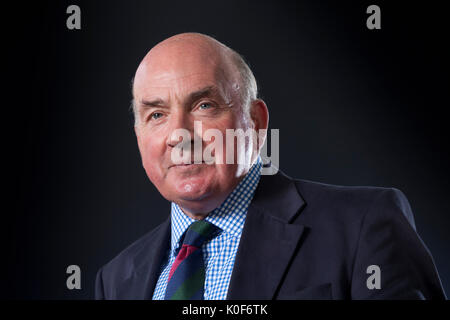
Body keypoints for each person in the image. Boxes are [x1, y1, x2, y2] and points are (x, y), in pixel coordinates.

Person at [95, 32, 446, 300]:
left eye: (204, 105)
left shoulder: (365, 226)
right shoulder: (114, 281)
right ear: (140, 136)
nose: (179, 135)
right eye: (156, 115)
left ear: (256, 123)